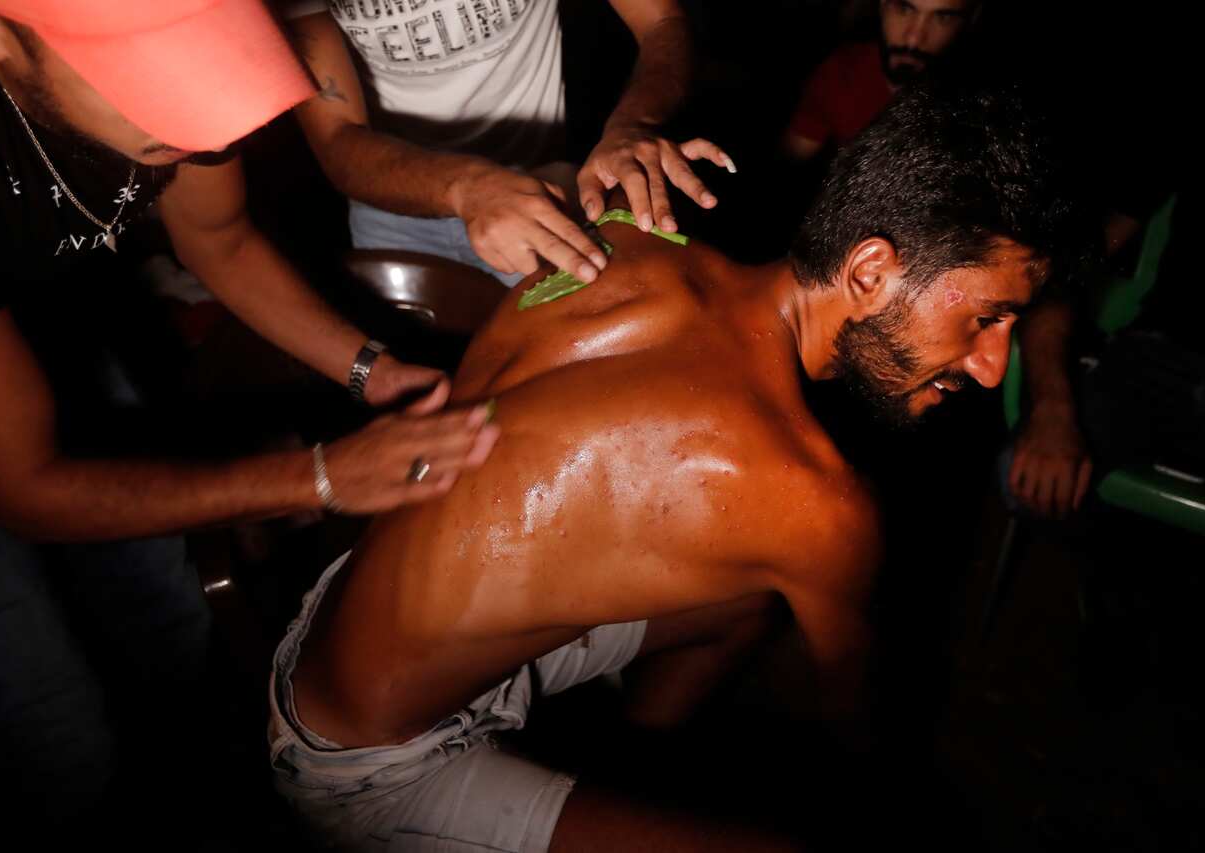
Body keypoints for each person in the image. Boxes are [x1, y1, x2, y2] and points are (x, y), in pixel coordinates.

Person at [268, 80, 1087, 851]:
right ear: (869, 272)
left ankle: (618, 773)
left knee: (744, 605)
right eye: (987, 317)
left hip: (334, 614)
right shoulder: (814, 503)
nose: (989, 366)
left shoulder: (623, 235)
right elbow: (856, 727)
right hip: (364, 756)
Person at [0, 0, 498, 833]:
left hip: (40, 322)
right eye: (148, 72)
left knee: (169, 615)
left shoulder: (179, 107)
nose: (197, 117)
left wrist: (371, 372)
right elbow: (21, 485)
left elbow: (222, 241)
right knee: (50, 722)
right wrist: (317, 476)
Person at [285, 0, 734, 288]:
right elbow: (336, 138)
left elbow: (660, 20)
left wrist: (633, 124)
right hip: (393, 206)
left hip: (543, 189)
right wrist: (467, 188)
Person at [785, 0, 979, 161]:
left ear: (969, 21)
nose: (914, 39)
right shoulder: (839, 71)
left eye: (942, 18)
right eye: (904, 9)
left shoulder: (978, 106)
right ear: (881, 5)